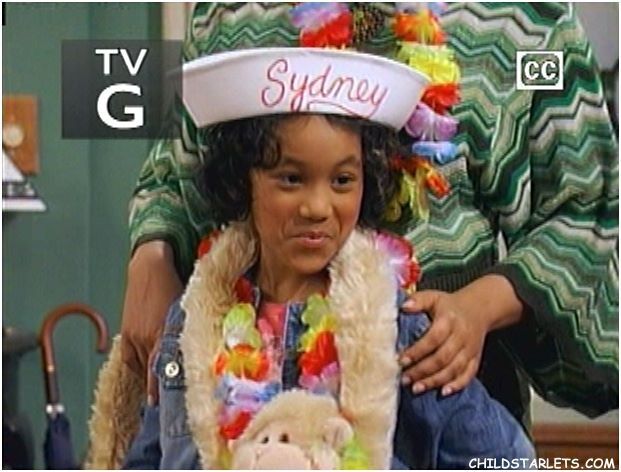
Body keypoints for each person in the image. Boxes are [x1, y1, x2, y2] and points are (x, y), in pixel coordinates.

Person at [119, 0, 617, 440]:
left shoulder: (527, 26)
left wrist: (480, 307)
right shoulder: (231, 13)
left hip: (436, 383)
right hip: (248, 387)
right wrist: (152, 256)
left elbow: (586, 204)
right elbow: (176, 173)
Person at [119, 106, 535, 468]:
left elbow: (508, 459)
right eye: (291, 178)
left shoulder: (396, 329)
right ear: (243, 181)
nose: (317, 207)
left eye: (342, 180)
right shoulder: (191, 324)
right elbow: (148, 459)